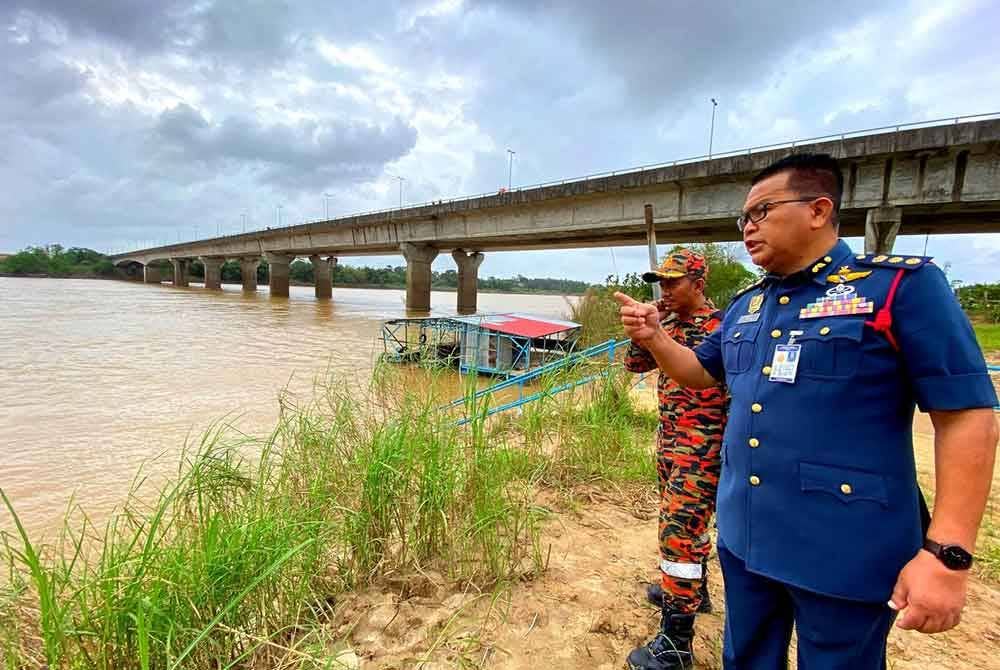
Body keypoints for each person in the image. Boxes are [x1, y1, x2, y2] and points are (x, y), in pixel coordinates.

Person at [615, 152, 998, 669]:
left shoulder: (897, 289)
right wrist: (655, 335)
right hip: (748, 540)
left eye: (762, 212)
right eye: (743, 219)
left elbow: (967, 416)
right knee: (746, 658)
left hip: (844, 548)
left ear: (818, 210)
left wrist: (948, 554)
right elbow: (701, 372)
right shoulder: (749, 305)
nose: (748, 229)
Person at [623, 249, 727, 670]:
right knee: (685, 528)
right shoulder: (667, 323)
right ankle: (694, 592)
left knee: (679, 533)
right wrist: (642, 330)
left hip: (703, 448)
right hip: (670, 442)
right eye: (661, 281)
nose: (664, 289)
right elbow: (634, 365)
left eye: (673, 281)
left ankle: (676, 642)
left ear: (698, 283)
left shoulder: (720, 327)